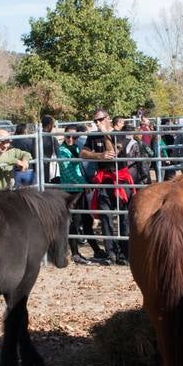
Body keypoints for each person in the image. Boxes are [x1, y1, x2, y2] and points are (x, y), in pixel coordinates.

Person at [80, 109, 128, 263]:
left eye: (100, 120)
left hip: (120, 180)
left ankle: (125, 253)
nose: (97, 123)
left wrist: (105, 133)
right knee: (105, 217)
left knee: (123, 217)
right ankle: (111, 253)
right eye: (95, 121)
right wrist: (99, 156)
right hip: (103, 181)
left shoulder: (118, 134)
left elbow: (113, 152)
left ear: (107, 118)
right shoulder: (93, 136)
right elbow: (83, 153)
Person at [56, 124, 101, 261]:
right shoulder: (62, 150)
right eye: (68, 136)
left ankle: (97, 250)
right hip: (70, 191)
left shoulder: (76, 148)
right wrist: (84, 184)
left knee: (87, 220)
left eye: (74, 137)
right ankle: (75, 253)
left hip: (80, 189)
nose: (71, 139)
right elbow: (68, 171)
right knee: (75, 222)